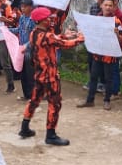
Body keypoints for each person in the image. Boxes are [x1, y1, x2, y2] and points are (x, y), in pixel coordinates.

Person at [18, 7, 85, 146]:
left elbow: (55, 39)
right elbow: (63, 44)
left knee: (34, 100)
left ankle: (24, 127)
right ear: (42, 20)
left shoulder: (34, 33)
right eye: (48, 18)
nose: (51, 19)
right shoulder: (47, 35)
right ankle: (51, 134)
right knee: (55, 103)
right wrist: (79, 39)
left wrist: (67, 34)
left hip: (39, 74)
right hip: (50, 75)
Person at [77, 0, 122, 111]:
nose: (108, 7)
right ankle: (90, 100)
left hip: (109, 55)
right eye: (106, 5)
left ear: (114, 7)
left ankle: (107, 100)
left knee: (108, 78)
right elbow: (89, 32)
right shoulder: (95, 19)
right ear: (101, 6)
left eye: (110, 5)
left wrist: (117, 34)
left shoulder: (116, 21)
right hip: (97, 53)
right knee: (93, 77)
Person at [9, 0, 36, 101]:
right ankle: (26, 94)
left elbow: (35, 36)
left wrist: (27, 46)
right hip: (21, 50)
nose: (22, 9)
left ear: (30, 7)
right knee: (23, 74)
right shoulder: (22, 18)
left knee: (30, 74)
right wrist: (7, 30)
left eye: (24, 7)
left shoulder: (34, 19)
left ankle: (33, 96)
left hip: (30, 50)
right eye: (21, 6)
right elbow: (19, 30)